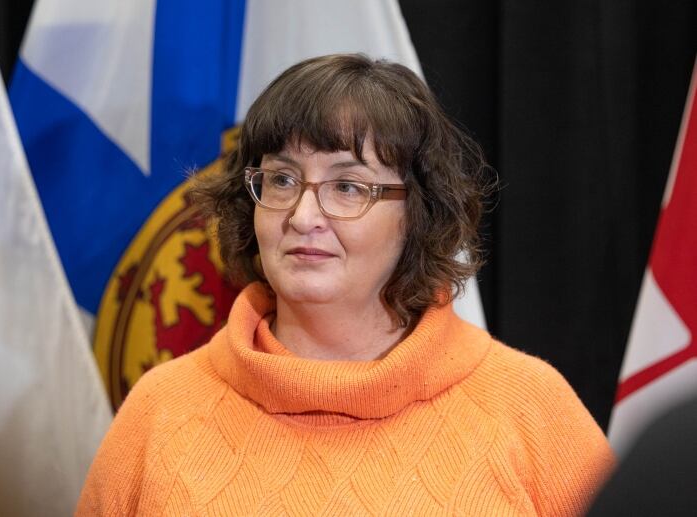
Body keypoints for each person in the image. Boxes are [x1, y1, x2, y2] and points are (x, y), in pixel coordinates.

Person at [77, 54, 614, 515]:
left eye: (348, 186)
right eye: (282, 179)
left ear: (418, 216)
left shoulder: (529, 406)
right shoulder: (161, 409)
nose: (304, 214)